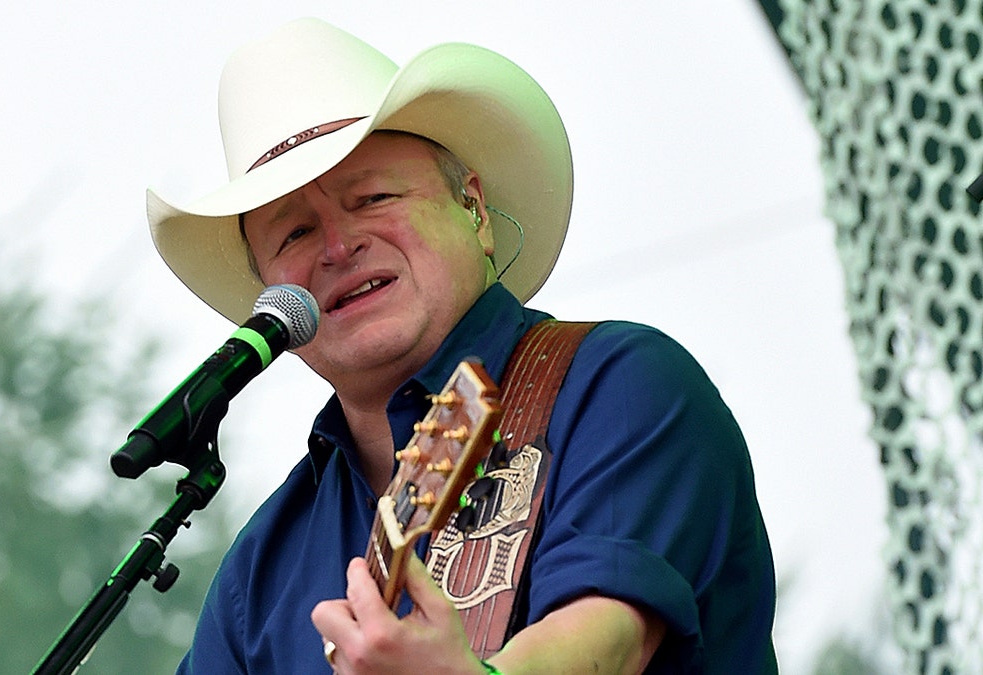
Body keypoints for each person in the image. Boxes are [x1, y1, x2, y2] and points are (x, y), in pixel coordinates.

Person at [146, 18, 777, 674]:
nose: (338, 247)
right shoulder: (258, 572)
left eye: (372, 197)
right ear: (273, 296)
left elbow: (606, 643)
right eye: (295, 233)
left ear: (473, 208)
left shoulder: (619, 385)